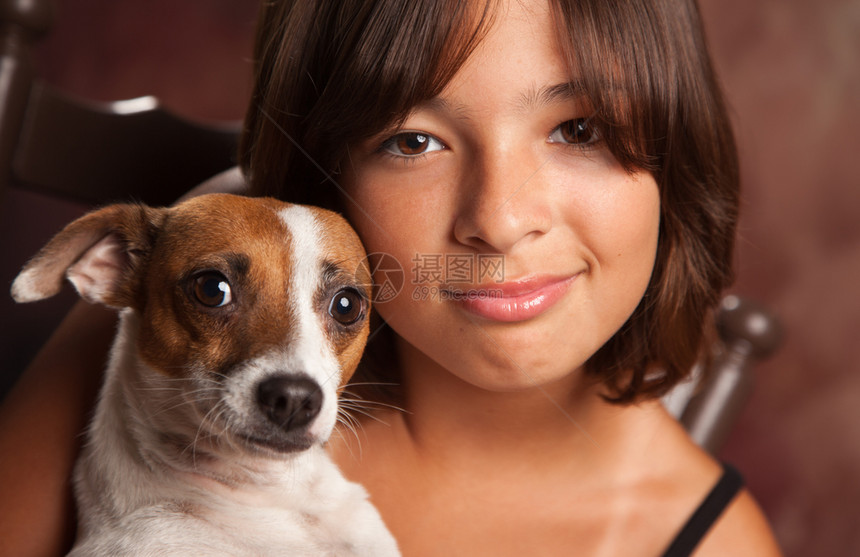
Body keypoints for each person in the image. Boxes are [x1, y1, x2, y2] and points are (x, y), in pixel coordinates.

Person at [0, 0, 783, 555]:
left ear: (677, 156)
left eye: (579, 129)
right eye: (412, 140)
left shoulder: (707, 538)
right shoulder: (209, 265)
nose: (502, 219)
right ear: (321, 176)